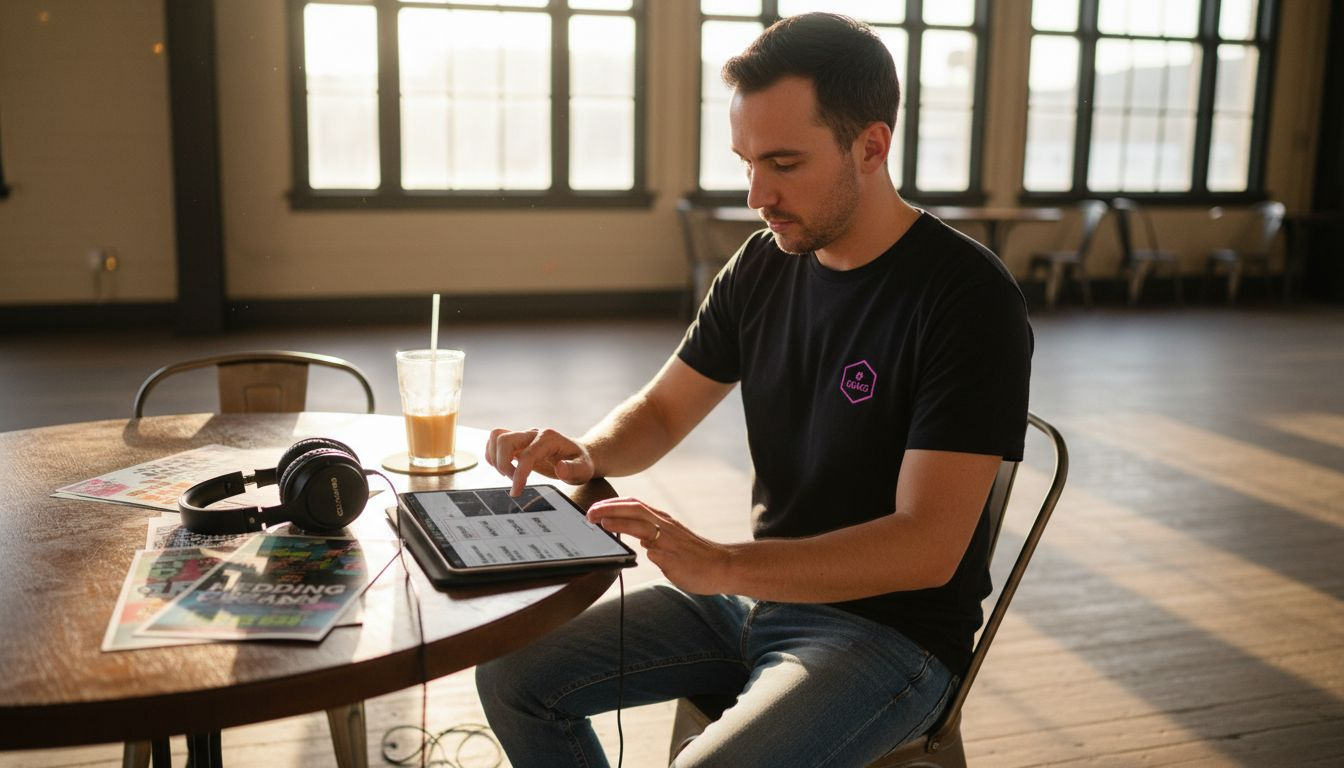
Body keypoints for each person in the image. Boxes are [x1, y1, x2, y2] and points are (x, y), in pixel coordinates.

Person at [476, 12, 1031, 767]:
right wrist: (585, 451)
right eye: (746, 163)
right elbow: (665, 407)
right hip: (756, 599)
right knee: (512, 675)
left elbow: (927, 547)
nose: (756, 195)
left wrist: (722, 563)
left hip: (890, 638)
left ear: (871, 146)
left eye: (784, 163)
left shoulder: (968, 298)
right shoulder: (763, 264)